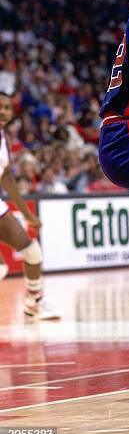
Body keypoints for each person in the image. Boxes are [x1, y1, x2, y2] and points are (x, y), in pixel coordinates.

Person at [0, 93, 60, 321]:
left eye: (6, 107)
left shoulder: (4, 139)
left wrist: (28, 215)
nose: (3, 111)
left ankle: (33, 305)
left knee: (32, 252)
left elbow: (5, 178)